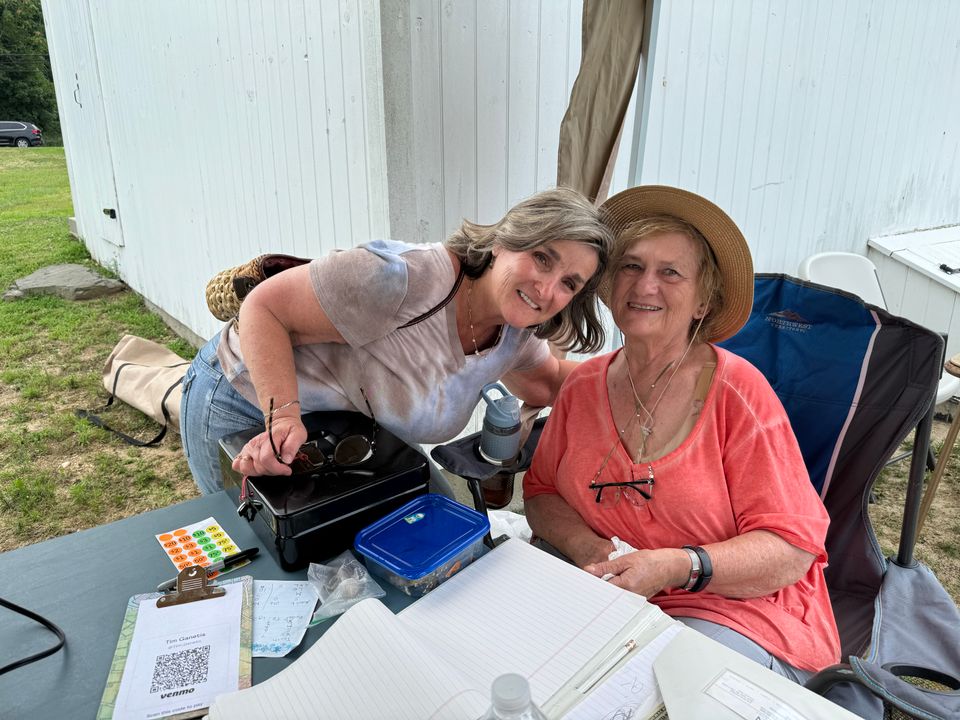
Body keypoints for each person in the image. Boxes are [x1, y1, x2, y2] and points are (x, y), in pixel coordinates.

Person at [523, 185, 841, 682]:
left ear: (702, 302)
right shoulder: (582, 386)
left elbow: (791, 548)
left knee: (663, 687)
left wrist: (677, 566)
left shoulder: (737, 393)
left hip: (731, 610)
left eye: (670, 272)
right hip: (607, 592)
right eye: (631, 266)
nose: (645, 285)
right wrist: (588, 548)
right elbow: (541, 494)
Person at [181, 187, 613, 495]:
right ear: (503, 242)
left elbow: (549, 382)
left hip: (342, 426)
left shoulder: (514, 336)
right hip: (243, 395)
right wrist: (283, 417)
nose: (546, 289)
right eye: (542, 258)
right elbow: (263, 308)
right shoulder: (400, 279)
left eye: (569, 283)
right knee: (260, 559)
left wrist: (638, 374)